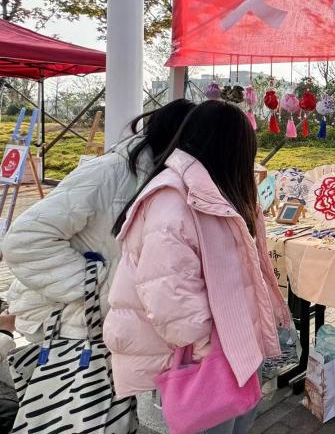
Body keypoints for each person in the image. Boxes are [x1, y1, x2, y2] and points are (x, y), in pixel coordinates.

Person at [104, 100, 290, 433]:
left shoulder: (215, 191)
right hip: (211, 358)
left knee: (236, 422)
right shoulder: (173, 199)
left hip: (234, 351)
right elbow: (168, 297)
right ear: (230, 150)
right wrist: (210, 350)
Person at [2, 98, 196, 343]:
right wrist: (101, 284)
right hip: (71, 323)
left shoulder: (165, 177)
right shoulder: (109, 172)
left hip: (109, 323)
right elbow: (24, 241)